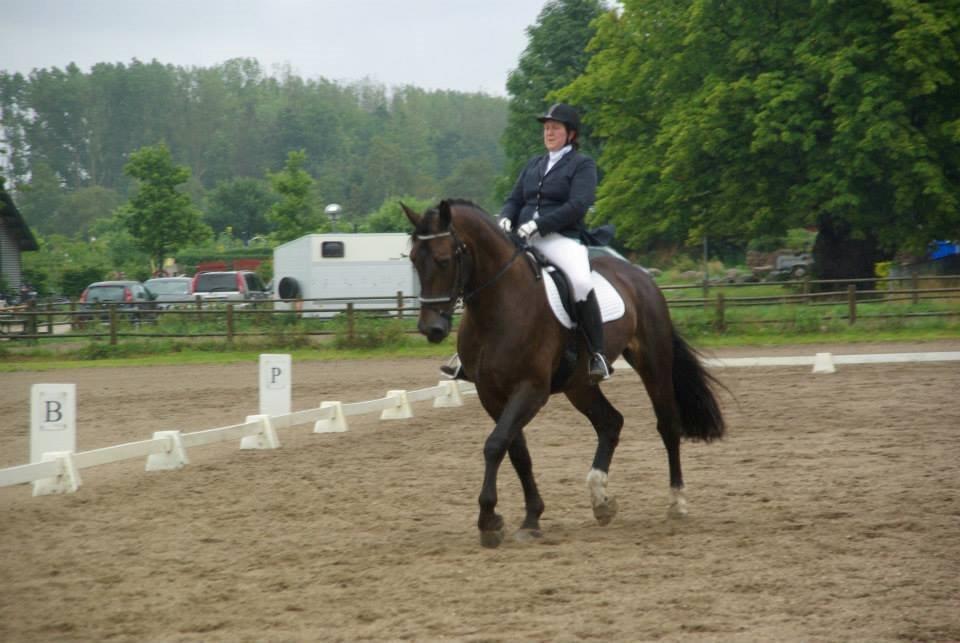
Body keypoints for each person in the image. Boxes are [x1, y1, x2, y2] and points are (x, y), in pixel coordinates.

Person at [442, 102, 611, 384]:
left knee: (580, 282)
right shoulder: (534, 163)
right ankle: (468, 354)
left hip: (560, 238)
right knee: (487, 275)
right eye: (546, 128)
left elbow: (578, 205)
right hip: (521, 236)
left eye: (555, 128)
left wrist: (539, 224)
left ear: (571, 134)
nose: (549, 132)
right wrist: (506, 218)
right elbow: (514, 198)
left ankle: (596, 353)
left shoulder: (583, 165)